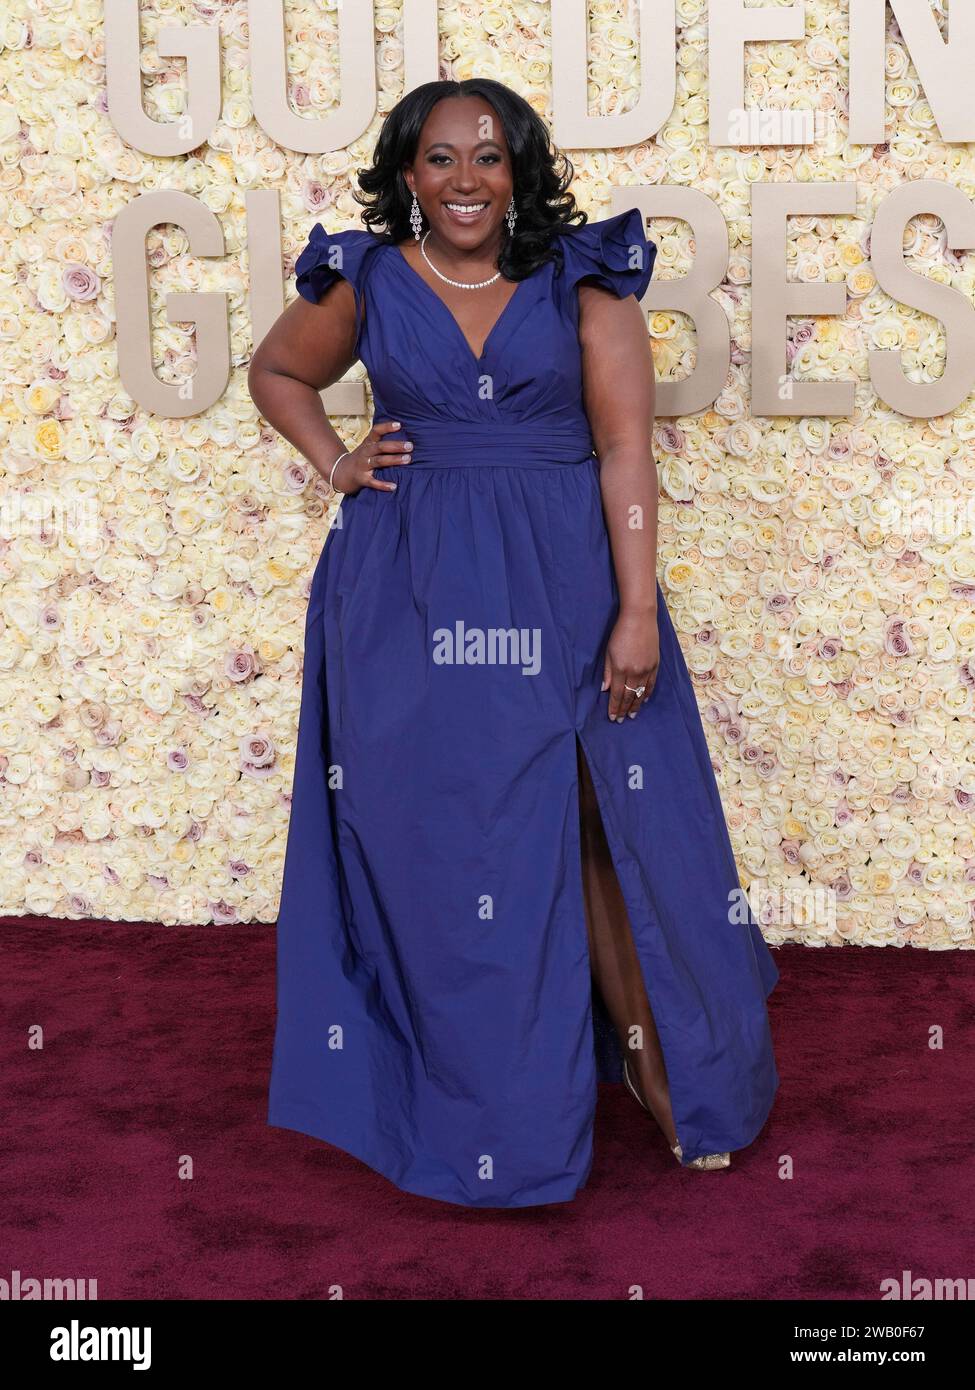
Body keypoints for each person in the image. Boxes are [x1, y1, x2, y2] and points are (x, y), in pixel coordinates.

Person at [249, 78, 779, 1209]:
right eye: (439, 160)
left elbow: (627, 454)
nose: (464, 181)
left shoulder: (586, 282)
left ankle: (672, 1074)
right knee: (452, 848)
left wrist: (636, 610)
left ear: (522, 169)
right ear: (407, 176)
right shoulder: (366, 279)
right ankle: (483, 1108)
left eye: (488, 158)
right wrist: (333, 462)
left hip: (566, 585)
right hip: (407, 597)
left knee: (604, 819)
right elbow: (276, 371)